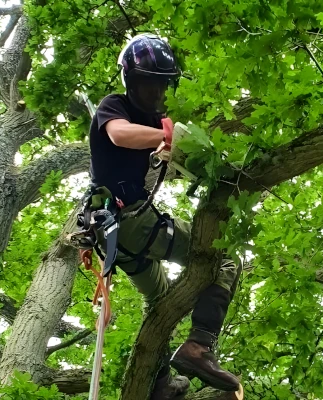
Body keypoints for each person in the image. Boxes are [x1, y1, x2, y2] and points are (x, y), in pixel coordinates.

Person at [88, 33, 242, 400]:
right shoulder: (115, 106)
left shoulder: (155, 124)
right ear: (131, 80)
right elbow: (121, 135)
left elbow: (167, 153)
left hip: (119, 238)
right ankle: (199, 348)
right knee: (224, 259)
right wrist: (164, 135)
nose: (155, 92)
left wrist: (185, 153)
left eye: (161, 84)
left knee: (160, 303)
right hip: (125, 222)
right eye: (147, 82)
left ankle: (157, 382)